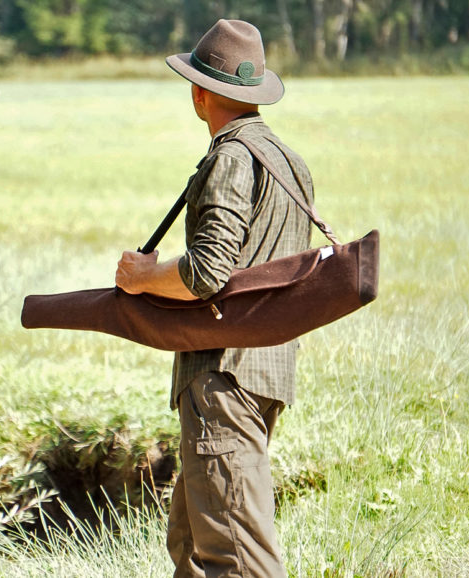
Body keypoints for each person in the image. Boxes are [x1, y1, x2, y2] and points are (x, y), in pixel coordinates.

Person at [115, 19, 314, 578]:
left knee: (236, 557)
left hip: (222, 379)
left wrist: (143, 278)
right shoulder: (289, 161)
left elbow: (207, 271)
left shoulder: (230, 158)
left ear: (200, 93)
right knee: (194, 547)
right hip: (265, 373)